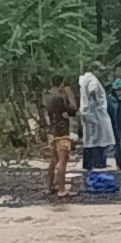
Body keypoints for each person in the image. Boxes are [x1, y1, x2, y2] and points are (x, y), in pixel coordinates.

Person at [38, 74, 81, 203]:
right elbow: (72, 110)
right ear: (61, 85)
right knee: (63, 160)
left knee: (53, 160)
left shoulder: (47, 97)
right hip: (62, 131)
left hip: (51, 131)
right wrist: (70, 95)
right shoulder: (60, 98)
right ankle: (62, 189)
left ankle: (50, 186)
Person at [75, 66, 114, 187]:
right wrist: (92, 107)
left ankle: (88, 166)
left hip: (89, 115)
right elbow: (92, 92)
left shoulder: (84, 80)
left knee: (90, 141)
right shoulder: (92, 80)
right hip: (96, 115)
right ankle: (99, 167)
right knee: (100, 141)